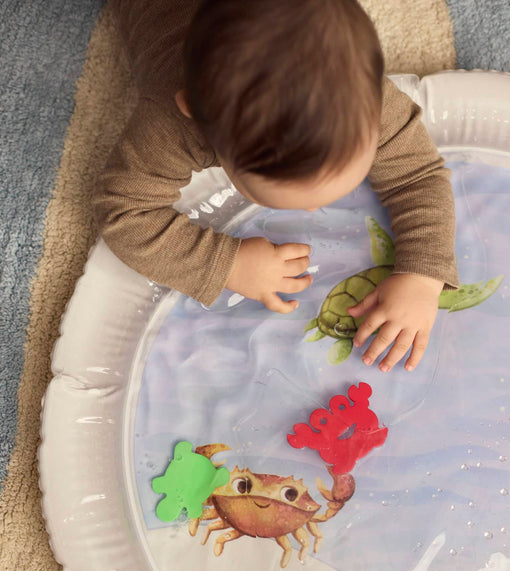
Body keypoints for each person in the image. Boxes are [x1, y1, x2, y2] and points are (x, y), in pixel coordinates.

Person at [94, 0, 459, 372]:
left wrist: (423, 275)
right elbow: (123, 212)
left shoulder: (368, 96)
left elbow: (417, 174)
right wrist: (227, 264)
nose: (313, 211)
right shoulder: (171, 126)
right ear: (195, 112)